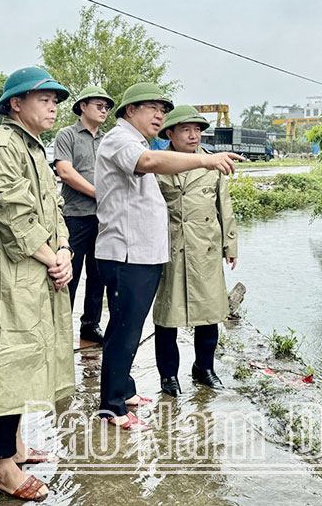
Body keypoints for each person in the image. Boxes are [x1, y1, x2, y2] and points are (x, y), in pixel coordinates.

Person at [95, 83, 242, 430]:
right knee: (126, 329)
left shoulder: (135, 141)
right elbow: (149, 163)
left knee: (129, 328)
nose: (160, 114)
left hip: (145, 252)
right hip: (129, 252)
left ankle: (125, 390)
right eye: (152, 108)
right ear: (130, 111)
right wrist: (206, 159)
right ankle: (113, 407)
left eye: (163, 109)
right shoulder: (122, 141)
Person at [0, 67, 75, 502]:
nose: (52, 106)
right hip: (9, 275)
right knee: (6, 366)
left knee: (27, 362)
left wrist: (62, 251)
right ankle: (5, 469)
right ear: (15, 104)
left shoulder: (33, 149)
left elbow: (54, 210)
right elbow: (15, 219)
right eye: (43, 98)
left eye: (54, 99)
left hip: (40, 271)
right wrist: (53, 257)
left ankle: (19, 448)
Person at [152, 106, 238, 396]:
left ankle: (204, 368)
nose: (193, 135)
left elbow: (223, 205)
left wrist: (230, 244)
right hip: (170, 246)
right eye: (186, 130)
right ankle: (168, 375)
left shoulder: (212, 164)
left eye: (198, 130)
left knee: (209, 310)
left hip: (206, 246)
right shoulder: (158, 164)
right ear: (170, 134)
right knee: (167, 315)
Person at [53, 86, 114, 346]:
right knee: (70, 274)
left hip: (103, 218)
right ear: (82, 106)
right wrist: (98, 193)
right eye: (98, 105)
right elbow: (65, 172)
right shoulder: (67, 135)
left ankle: (90, 324)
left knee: (98, 274)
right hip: (75, 216)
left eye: (106, 107)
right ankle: (59, 329)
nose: (104, 110)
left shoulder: (108, 140)